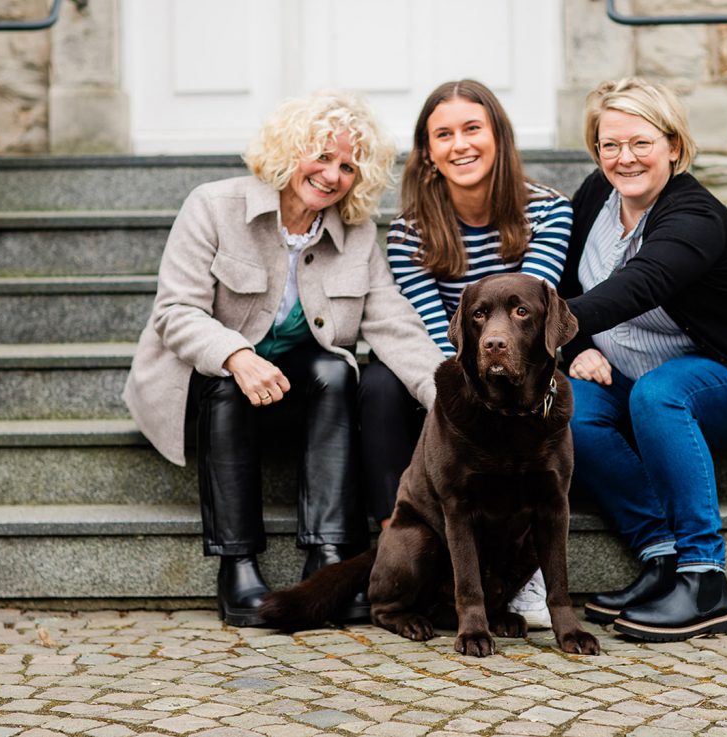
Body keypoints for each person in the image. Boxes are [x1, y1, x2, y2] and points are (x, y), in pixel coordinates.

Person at [123, 91, 444, 628]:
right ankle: (237, 563)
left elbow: (393, 323)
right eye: (320, 156)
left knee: (335, 368)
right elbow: (175, 311)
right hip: (206, 389)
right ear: (288, 150)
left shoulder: (357, 234)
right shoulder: (213, 205)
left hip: (293, 395)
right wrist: (235, 354)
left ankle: (329, 555)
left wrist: (445, 398)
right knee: (229, 379)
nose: (331, 175)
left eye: (347, 166)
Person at [559, 77, 727, 642]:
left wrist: (543, 327)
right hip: (625, 370)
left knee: (661, 393)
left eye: (641, 143)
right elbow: (570, 277)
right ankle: (662, 557)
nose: (624, 158)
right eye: (609, 145)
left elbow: (639, 285)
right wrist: (578, 347)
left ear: (673, 144)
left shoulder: (694, 216)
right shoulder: (596, 195)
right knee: (568, 408)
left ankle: (704, 578)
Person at [357, 79, 573, 629]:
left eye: (472, 128)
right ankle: (397, 538)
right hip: (454, 369)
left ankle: (524, 579)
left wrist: (503, 364)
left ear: (498, 135)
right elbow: (433, 327)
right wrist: (460, 394)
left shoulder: (548, 210)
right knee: (378, 382)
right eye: (443, 134)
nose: (460, 144)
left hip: (524, 368)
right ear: (428, 152)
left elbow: (538, 311)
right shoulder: (410, 230)